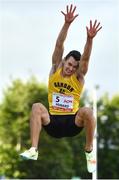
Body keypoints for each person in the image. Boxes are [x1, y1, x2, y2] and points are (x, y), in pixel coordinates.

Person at [20, 4, 102, 173]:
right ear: (64, 61)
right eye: (70, 64)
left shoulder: (78, 77)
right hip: (53, 122)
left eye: (74, 67)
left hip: (72, 122)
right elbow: (59, 44)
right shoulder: (56, 68)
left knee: (88, 111)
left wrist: (90, 39)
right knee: (36, 107)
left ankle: (89, 151)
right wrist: (67, 24)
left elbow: (85, 59)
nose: (71, 68)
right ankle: (34, 149)